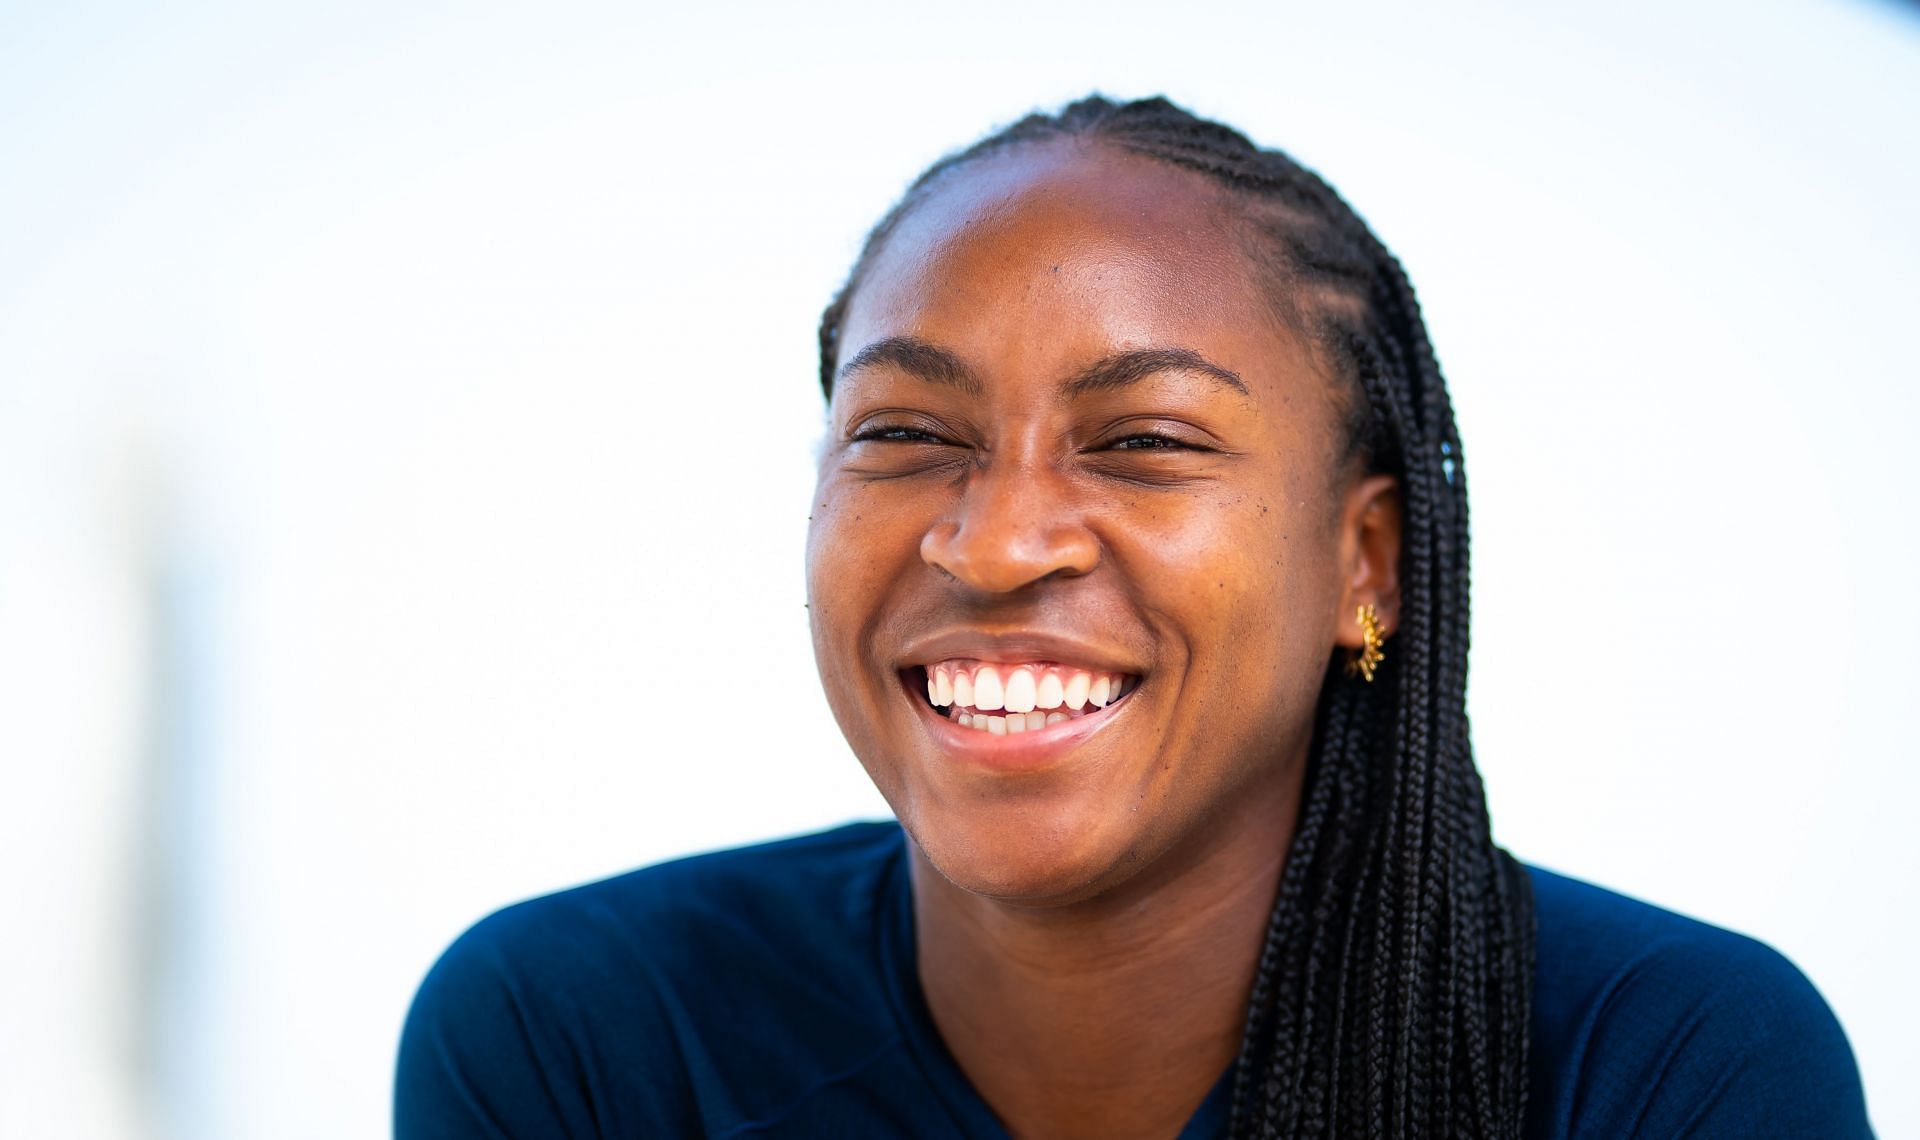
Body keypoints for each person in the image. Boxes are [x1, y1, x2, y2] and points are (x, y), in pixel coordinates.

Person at [394, 96, 1872, 1139]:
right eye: (904, 433)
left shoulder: (1663, 1071)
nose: (996, 539)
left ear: (1367, 562)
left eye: (1144, 442)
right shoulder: (584, 1044)